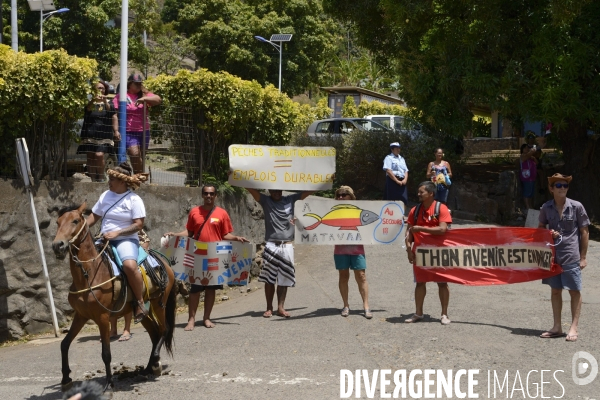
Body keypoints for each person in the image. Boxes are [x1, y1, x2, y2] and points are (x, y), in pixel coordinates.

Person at [164, 185, 248, 330]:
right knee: (195, 289)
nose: (209, 196)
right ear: (202, 195)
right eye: (206, 193)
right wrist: (175, 235)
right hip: (197, 255)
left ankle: (206, 318)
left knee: (211, 289)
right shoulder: (195, 212)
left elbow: (225, 235)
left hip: (215, 255)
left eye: (212, 194)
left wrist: (236, 238)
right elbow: (189, 233)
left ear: (216, 195)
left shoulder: (222, 213)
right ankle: (191, 320)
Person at [86, 162, 149, 324]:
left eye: (112, 179)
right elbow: (94, 217)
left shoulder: (134, 200)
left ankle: (140, 302)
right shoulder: (105, 195)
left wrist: (118, 233)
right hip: (103, 239)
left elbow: (138, 225)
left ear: (122, 182)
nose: (109, 181)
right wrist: (79, 228)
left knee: (129, 265)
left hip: (126, 239)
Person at [244, 187, 314, 318]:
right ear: (269, 191)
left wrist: (322, 182)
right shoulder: (266, 201)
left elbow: (306, 193)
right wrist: (239, 180)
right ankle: (269, 307)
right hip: (271, 245)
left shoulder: (291, 199)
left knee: (284, 277)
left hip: (287, 245)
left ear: (282, 190)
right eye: (273, 191)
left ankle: (281, 307)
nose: (276, 193)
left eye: (279, 190)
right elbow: (252, 191)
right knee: (269, 278)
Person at [538, 174, 589, 342]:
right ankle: (557, 326)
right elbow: (540, 228)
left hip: (571, 255)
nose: (562, 188)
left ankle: (573, 328)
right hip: (553, 256)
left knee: (574, 291)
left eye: (565, 185)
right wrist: (548, 233)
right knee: (555, 291)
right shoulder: (546, 207)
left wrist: (583, 257)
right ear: (551, 188)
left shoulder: (577, 207)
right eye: (558, 185)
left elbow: (584, 232)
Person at [405, 181, 453, 325]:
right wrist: (408, 249)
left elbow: (442, 229)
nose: (418, 194)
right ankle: (418, 313)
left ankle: (444, 314)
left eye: (421, 192)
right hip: (420, 252)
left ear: (431, 193)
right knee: (420, 283)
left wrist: (421, 229)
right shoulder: (415, 210)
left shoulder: (441, 208)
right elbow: (409, 231)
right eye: (418, 192)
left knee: (442, 283)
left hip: (439, 252)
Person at [333, 186, 371, 319]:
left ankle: (366, 306)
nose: (341, 197)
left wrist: (396, 220)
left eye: (344, 195)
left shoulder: (359, 210)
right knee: (343, 276)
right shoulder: (332, 211)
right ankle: (346, 305)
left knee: (361, 276)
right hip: (340, 249)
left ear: (351, 196)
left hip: (357, 248)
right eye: (339, 195)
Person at [112, 73, 162, 174]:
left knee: (141, 157)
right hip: (129, 131)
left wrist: (144, 99)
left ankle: (138, 178)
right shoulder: (121, 96)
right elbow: (115, 114)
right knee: (134, 154)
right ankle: (138, 177)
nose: (139, 85)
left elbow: (158, 99)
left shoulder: (144, 95)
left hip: (144, 131)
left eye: (140, 83)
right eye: (136, 84)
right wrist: (116, 130)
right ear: (130, 84)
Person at [107, 230, 150, 341]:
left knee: (128, 280)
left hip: (128, 246)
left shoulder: (133, 226)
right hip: (109, 244)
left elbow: (144, 240)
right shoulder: (106, 220)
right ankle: (113, 329)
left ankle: (127, 328)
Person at [77, 80, 117, 182]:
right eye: (99, 88)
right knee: (90, 157)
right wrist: (93, 100)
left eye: (103, 88)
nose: (101, 90)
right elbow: (87, 110)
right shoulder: (90, 102)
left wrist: (116, 131)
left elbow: (111, 113)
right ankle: (93, 179)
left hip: (104, 134)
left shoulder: (109, 102)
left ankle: (100, 177)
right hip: (90, 133)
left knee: (99, 155)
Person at [519, 131, 541, 210]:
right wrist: (532, 151)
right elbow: (527, 155)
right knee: (527, 192)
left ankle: (531, 206)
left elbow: (537, 162)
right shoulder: (523, 156)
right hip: (526, 177)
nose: (527, 149)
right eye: (525, 148)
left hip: (532, 177)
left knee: (531, 193)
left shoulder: (531, 157)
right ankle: (527, 207)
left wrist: (533, 157)